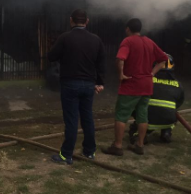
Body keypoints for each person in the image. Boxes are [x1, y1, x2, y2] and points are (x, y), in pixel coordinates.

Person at [47, 9, 105, 165]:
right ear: (87, 21)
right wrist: (100, 83)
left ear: (71, 20)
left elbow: (51, 56)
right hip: (88, 85)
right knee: (87, 118)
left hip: (70, 84)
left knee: (72, 120)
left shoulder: (65, 38)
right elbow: (100, 63)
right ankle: (89, 151)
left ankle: (66, 155)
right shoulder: (96, 40)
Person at [102, 18, 167, 156]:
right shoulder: (149, 42)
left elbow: (120, 59)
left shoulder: (128, 41)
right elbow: (163, 59)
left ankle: (118, 146)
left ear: (127, 29)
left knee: (121, 115)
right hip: (146, 85)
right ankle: (139, 145)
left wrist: (121, 74)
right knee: (142, 116)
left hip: (131, 85)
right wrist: (151, 73)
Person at [129, 54, 184, 143]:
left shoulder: (146, 80)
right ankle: (166, 132)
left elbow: (135, 99)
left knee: (138, 110)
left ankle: (139, 134)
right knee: (171, 110)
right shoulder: (178, 84)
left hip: (147, 120)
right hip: (169, 121)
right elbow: (179, 102)